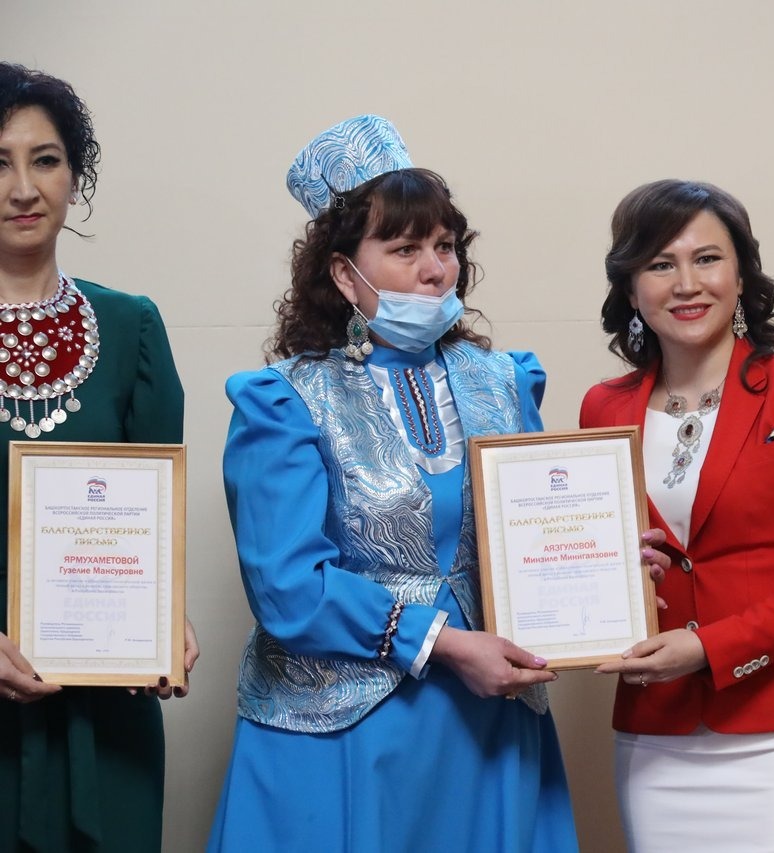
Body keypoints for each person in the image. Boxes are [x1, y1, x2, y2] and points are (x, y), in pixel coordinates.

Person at [207, 115, 669, 853]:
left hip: (486, 722)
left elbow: (529, 534)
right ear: (343, 274)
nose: (434, 270)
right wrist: (444, 644)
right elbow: (288, 586)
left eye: (445, 246)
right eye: (404, 249)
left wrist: (609, 563)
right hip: (345, 729)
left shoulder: (503, 381)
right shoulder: (285, 401)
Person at [582, 179, 774, 852]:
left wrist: (708, 648)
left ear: (741, 276)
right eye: (660, 264)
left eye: (707, 259)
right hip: (657, 736)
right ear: (631, 289)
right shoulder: (603, 407)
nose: (687, 283)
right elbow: (599, 554)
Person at [0, 63, 198, 852]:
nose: (22, 188)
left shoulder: (131, 328)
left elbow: (151, 522)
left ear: (74, 176)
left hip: (107, 713)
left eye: (45, 159)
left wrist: (165, 618)